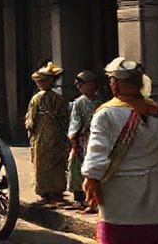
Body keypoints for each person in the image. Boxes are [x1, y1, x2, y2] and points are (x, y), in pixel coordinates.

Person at [82, 57, 158, 244]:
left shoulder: (105, 114)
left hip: (119, 192)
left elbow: (96, 155)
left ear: (115, 84)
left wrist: (91, 180)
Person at [26, 61, 68, 206]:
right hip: (51, 132)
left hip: (45, 132)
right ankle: (52, 190)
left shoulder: (39, 98)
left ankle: (48, 191)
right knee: (49, 161)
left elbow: (31, 119)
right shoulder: (54, 98)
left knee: (45, 161)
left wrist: (31, 129)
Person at [67, 70, 100, 212]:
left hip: (98, 137)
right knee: (77, 167)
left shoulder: (101, 101)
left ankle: (95, 198)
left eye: (82, 84)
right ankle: (79, 197)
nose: (79, 87)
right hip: (83, 139)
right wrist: (73, 139)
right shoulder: (78, 103)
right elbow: (75, 122)